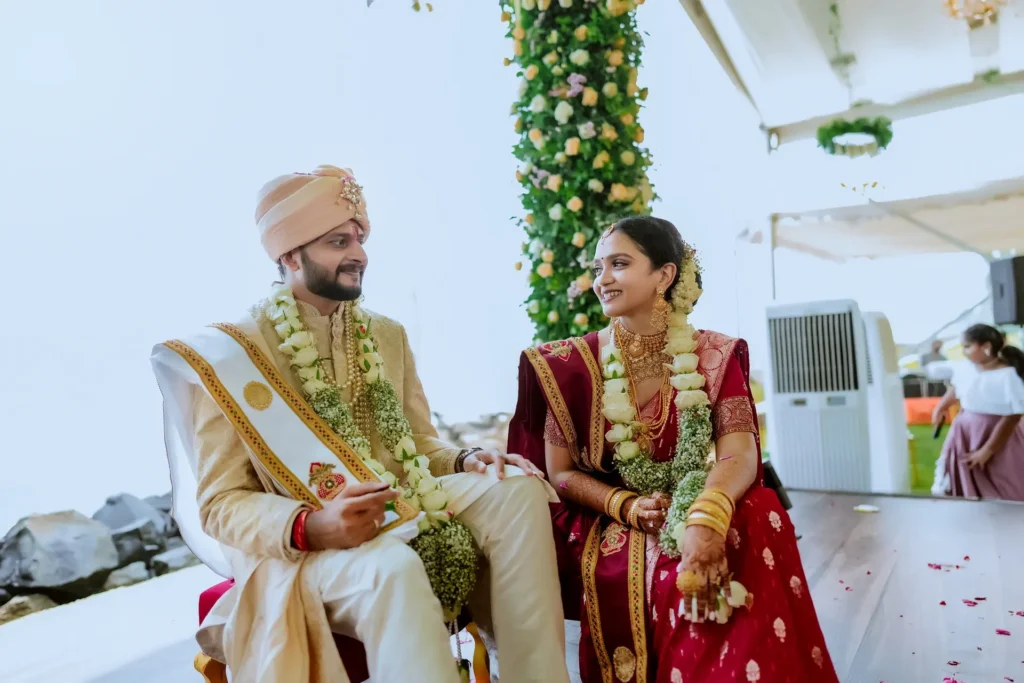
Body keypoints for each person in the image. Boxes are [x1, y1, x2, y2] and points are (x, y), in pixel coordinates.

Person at [150, 165, 570, 683]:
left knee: (518, 491)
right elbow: (220, 504)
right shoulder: (232, 357)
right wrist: (312, 526)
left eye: (359, 238)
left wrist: (465, 459)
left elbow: (414, 444)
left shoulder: (386, 336)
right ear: (288, 256)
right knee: (393, 567)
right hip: (307, 548)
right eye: (337, 242)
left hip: (401, 504)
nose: (359, 254)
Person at [508, 216, 838, 683]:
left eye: (618, 264)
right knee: (665, 570)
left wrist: (705, 517)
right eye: (598, 267)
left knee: (759, 512)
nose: (601, 280)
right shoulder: (569, 366)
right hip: (612, 518)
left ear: (665, 275)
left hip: (695, 499)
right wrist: (627, 505)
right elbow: (558, 473)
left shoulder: (714, 354)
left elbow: (738, 453)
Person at [930, 324, 1024, 500]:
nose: (964, 351)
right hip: (965, 431)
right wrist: (941, 407)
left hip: (995, 436)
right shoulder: (966, 368)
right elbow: (957, 388)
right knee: (962, 471)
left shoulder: (1007, 376)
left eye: (967, 346)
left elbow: (1013, 416)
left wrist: (987, 450)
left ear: (986, 347)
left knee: (1000, 479)